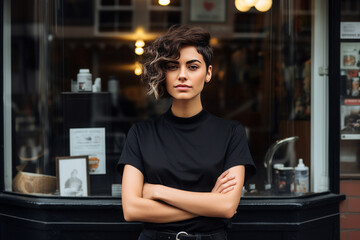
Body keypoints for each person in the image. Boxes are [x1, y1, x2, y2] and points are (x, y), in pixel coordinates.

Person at [118, 25, 256, 240]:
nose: (182, 75)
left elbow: (227, 207)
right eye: (173, 67)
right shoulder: (141, 133)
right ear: (164, 73)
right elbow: (132, 209)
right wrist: (209, 204)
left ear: (208, 73)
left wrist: (157, 191)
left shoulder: (231, 133)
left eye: (192, 67)